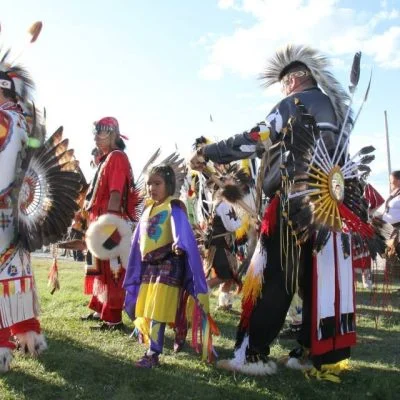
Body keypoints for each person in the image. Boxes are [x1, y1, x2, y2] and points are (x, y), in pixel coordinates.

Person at [191, 45, 364, 377]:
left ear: (295, 80)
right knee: (314, 279)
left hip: (292, 203)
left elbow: (256, 138)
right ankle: (311, 352)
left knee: (273, 277)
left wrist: (210, 151)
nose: (283, 90)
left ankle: (253, 354)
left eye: (284, 84)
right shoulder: (333, 111)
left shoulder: (293, 103)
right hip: (327, 206)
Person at [123, 164, 216, 368]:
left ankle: (153, 353)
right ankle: (177, 332)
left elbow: (179, 228)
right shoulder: (148, 209)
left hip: (168, 264)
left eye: (157, 183)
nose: (151, 188)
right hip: (150, 267)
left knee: (158, 309)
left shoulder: (173, 206)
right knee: (148, 306)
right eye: (149, 184)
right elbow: (139, 237)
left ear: (169, 185)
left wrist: (178, 243)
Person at [82, 117, 136, 331]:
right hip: (100, 221)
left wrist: (109, 224)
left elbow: (116, 193)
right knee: (99, 268)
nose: (95, 137)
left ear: (113, 134)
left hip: (109, 222)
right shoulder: (106, 158)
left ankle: (113, 318)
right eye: (95, 133)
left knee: (112, 269)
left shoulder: (117, 157)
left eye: (100, 133)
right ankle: (99, 308)